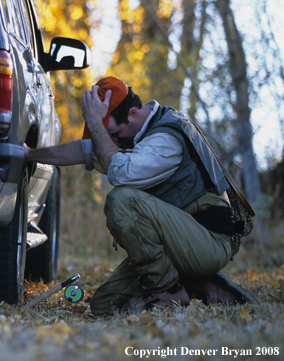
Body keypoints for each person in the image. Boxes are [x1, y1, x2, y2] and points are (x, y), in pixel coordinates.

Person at [24, 76, 258, 316]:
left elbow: (121, 174)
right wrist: (29, 154)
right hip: (175, 243)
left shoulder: (166, 137)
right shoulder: (134, 133)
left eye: (113, 133)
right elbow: (87, 150)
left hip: (208, 241)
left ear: (133, 114)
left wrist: (94, 121)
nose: (112, 141)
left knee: (121, 200)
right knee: (105, 306)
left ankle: (169, 289)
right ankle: (201, 282)